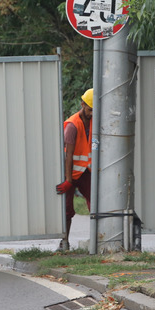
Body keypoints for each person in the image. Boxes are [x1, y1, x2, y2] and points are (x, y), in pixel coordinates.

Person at [55, 88, 93, 251]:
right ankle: (64, 243)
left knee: (96, 205)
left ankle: (98, 242)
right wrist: (68, 180)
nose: (92, 113)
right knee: (67, 211)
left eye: (94, 110)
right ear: (82, 104)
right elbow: (68, 155)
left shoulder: (94, 121)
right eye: (90, 109)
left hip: (86, 172)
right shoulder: (72, 125)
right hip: (70, 172)